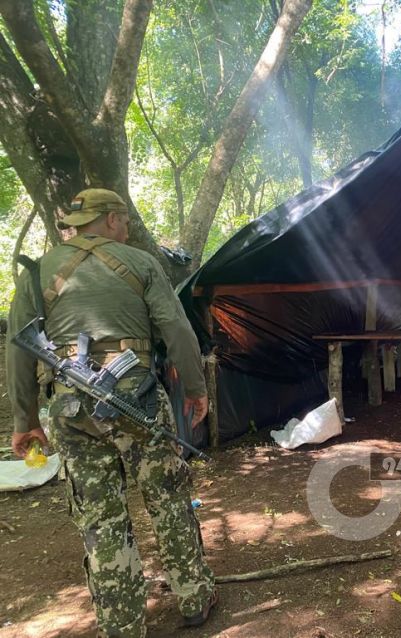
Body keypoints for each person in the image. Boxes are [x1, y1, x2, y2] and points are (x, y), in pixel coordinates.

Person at [6, 189, 216, 637]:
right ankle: (195, 598)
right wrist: (196, 390)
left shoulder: (40, 271)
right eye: (122, 219)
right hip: (138, 398)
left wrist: (25, 420)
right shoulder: (140, 263)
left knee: (100, 518)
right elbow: (176, 329)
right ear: (114, 219)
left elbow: (17, 351)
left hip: (71, 408)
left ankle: (122, 623)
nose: (124, 227)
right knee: (169, 499)